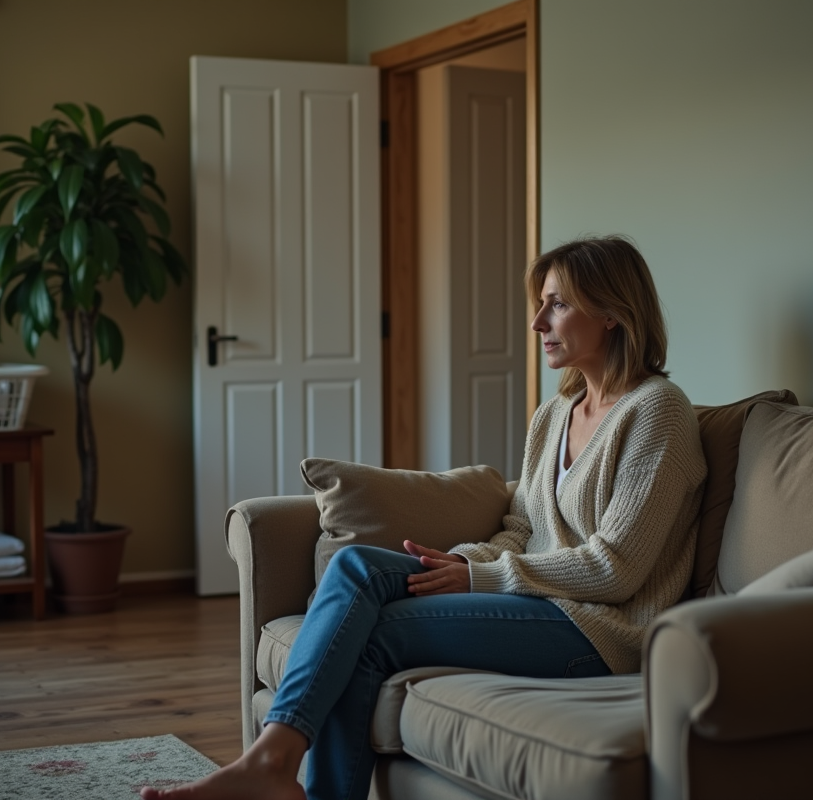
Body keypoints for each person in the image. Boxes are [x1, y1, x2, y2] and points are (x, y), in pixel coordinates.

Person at [141, 235, 707, 800]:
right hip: (534, 601)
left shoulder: (657, 411)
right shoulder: (555, 415)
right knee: (359, 567)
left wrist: (479, 578)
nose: (538, 322)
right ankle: (271, 761)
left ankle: (272, 766)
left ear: (612, 312)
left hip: (602, 633)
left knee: (367, 636)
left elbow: (617, 570)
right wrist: (461, 561)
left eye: (557, 304)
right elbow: (522, 530)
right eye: (541, 303)